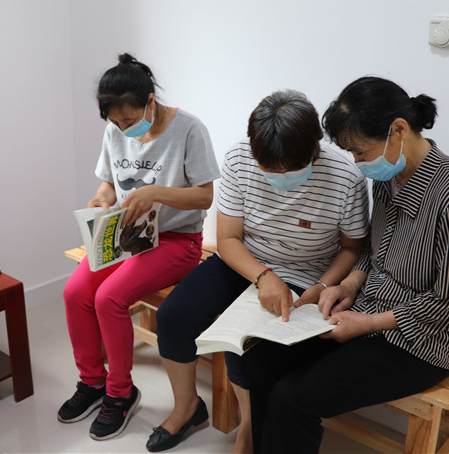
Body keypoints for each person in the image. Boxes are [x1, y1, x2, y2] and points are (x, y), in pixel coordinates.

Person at [245, 76, 449, 454]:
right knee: (260, 362)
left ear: (399, 130)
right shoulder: (389, 176)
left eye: (360, 152)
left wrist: (367, 323)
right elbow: (375, 250)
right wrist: (347, 285)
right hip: (368, 309)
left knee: (293, 398)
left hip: (425, 338)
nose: (358, 164)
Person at [149, 90, 370, 453]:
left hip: (306, 273)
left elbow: (352, 248)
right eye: (270, 170)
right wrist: (264, 276)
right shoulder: (239, 158)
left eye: (289, 171)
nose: (279, 178)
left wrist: (323, 284)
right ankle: (187, 407)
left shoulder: (345, 177)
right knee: (173, 317)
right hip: (244, 261)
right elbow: (228, 239)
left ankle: (249, 428)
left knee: (248, 345)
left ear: (314, 150)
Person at [59, 53, 220, 441]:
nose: (123, 129)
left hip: (177, 241)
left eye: (129, 121)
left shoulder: (189, 129)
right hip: (128, 234)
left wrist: (155, 192)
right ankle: (92, 382)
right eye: (115, 123)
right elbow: (108, 184)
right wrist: (101, 200)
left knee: (109, 298)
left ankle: (120, 393)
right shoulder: (115, 129)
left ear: (150, 101)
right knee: (75, 292)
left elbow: (204, 197)